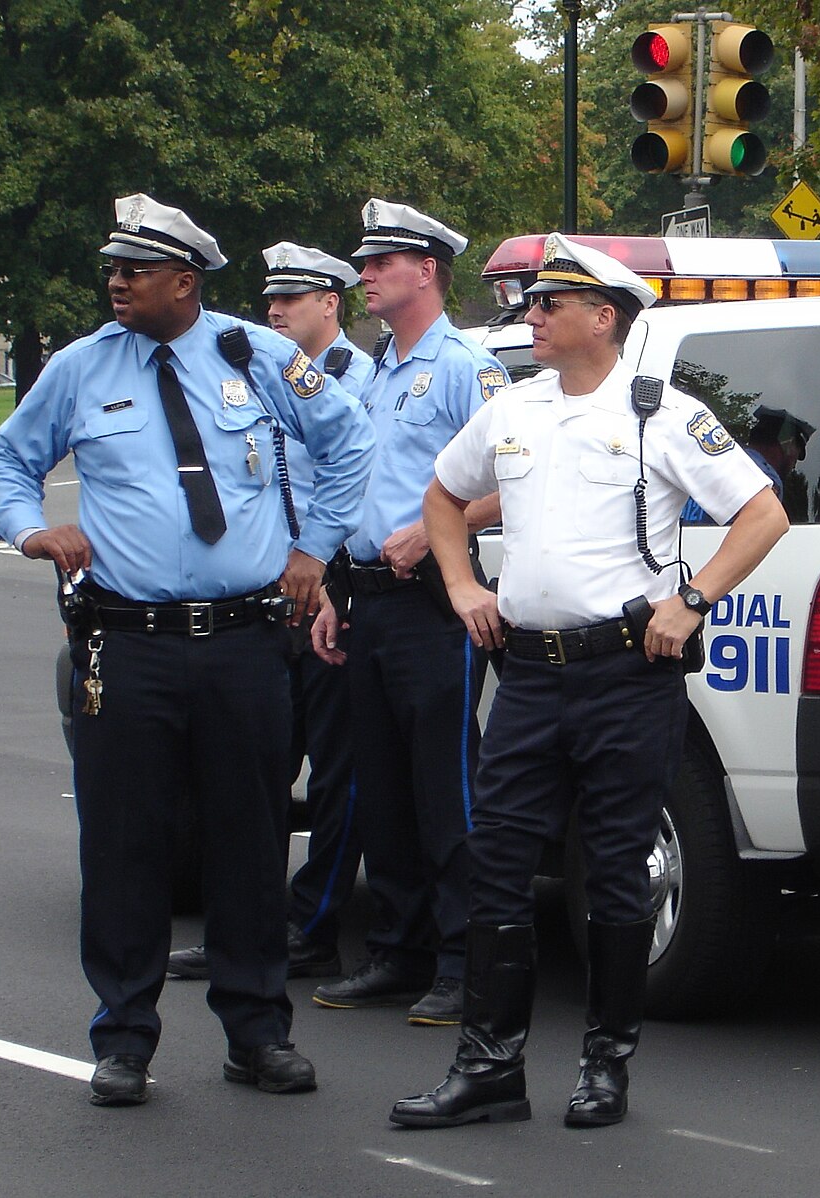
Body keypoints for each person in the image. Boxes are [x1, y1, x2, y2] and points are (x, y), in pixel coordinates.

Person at [0, 194, 376, 1107]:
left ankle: (256, 1033)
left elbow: (348, 439)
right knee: (124, 846)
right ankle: (122, 1039)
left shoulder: (258, 354)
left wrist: (315, 547)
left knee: (247, 839)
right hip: (128, 642)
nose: (116, 282)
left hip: (244, 642)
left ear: (184, 282)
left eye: (135, 271)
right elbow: (9, 462)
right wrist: (31, 529)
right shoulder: (80, 368)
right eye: (113, 269)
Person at [393, 234, 788, 1130]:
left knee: (613, 873)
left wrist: (692, 598)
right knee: (495, 862)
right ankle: (489, 1068)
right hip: (529, 673)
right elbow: (444, 498)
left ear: (601, 319)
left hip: (625, 674)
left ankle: (605, 1068)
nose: (529, 317)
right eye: (530, 304)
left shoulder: (661, 413)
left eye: (547, 306)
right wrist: (461, 587)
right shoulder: (514, 410)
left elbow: (763, 512)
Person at [308, 199, 509, 1027]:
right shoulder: (373, 369)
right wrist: (328, 583)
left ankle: (466, 962)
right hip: (365, 596)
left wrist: (439, 532)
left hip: (433, 606)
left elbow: (519, 476)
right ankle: (399, 950)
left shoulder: (465, 365)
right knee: (381, 788)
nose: (364, 276)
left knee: (445, 793)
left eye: (379, 263)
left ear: (425, 270)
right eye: (364, 263)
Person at [166, 242, 373, 984]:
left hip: (330, 588)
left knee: (333, 775)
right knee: (247, 776)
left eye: (294, 298)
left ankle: (312, 926)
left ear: (331, 304)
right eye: (271, 299)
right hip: (262, 599)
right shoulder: (251, 370)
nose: (276, 311)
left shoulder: (360, 380)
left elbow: (363, 478)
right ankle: (238, 931)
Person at [679, 403, 814, 524]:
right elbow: (757, 533)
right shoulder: (763, 480)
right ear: (788, 446)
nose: (794, 465)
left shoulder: (715, 461)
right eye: (795, 456)